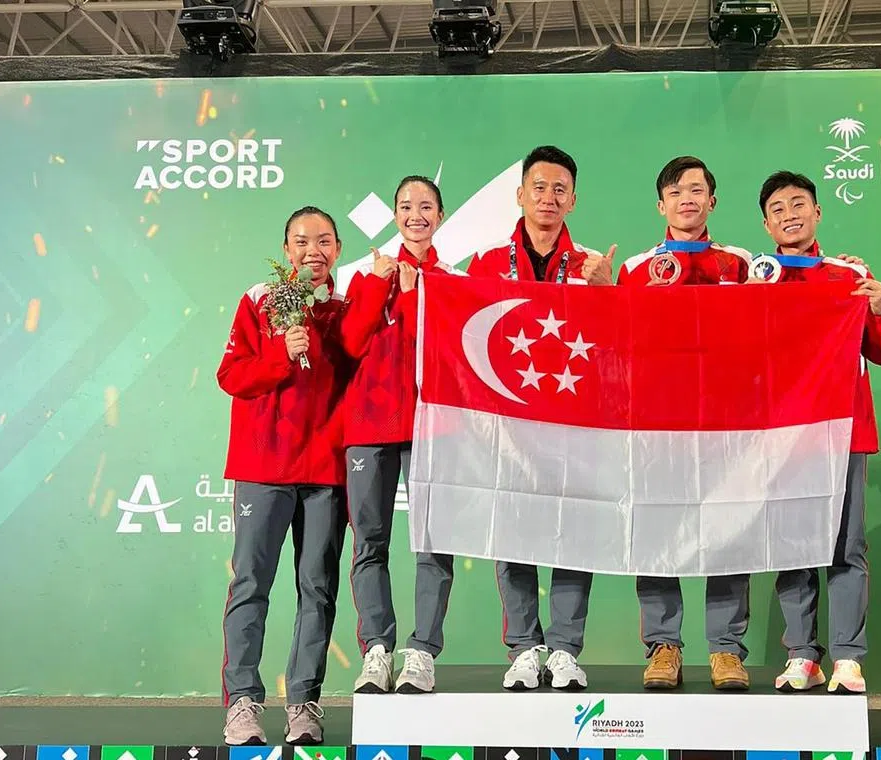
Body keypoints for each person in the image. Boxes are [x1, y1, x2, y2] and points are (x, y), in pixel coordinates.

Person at [466, 145, 614, 691]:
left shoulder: (594, 264)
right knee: (515, 531)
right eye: (539, 186)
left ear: (572, 199)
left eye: (559, 189)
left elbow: (615, 347)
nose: (548, 197)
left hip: (575, 423)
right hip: (508, 422)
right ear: (520, 194)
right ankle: (525, 648)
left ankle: (567, 648)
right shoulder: (483, 264)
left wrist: (608, 293)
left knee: (574, 532)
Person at [757, 170, 881, 694]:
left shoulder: (849, 275)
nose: (789, 214)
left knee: (847, 546)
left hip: (843, 433)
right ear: (766, 223)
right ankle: (802, 655)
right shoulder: (757, 280)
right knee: (793, 546)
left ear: (817, 213)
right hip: (783, 438)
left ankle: (847, 657)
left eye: (799, 204)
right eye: (777, 208)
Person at [617, 155, 754, 691]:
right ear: (661, 205)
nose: (686, 198)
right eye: (675, 191)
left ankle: (725, 649)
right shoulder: (634, 267)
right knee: (657, 531)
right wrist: (606, 291)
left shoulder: (743, 265)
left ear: (713, 201)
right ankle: (664, 646)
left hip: (725, 423)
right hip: (656, 423)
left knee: (726, 533)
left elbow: (781, 318)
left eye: (696, 189)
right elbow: (616, 340)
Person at [217, 206, 351, 746]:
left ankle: (304, 702)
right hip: (263, 466)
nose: (312, 250)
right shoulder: (260, 300)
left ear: (338, 249)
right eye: (301, 241)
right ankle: (242, 701)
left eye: (323, 240)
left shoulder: (347, 308)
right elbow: (231, 375)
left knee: (317, 589)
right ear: (286, 248)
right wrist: (280, 352)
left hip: (326, 471)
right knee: (251, 584)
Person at [340, 176, 463, 696]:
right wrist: (377, 285)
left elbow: (437, 348)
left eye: (426, 206)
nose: (416, 215)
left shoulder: (453, 280)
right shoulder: (366, 277)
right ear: (394, 216)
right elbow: (350, 341)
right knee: (369, 540)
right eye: (406, 207)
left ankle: (422, 652)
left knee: (433, 539)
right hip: (370, 424)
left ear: (440, 215)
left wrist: (412, 295)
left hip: (432, 424)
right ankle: (376, 649)